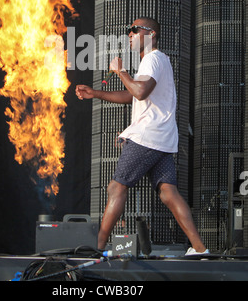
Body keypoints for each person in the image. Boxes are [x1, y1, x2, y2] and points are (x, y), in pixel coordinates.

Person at [75, 17, 208, 256]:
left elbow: (139, 91)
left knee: (116, 187)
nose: (130, 34)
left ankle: (97, 249)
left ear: (152, 34)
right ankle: (199, 248)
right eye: (129, 31)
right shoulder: (157, 61)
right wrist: (95, 93)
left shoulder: (153, 59)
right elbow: (132, 95)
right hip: (163, 140)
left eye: (135, 30)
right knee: (169, 193)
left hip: (147, 137)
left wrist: (121, 71)